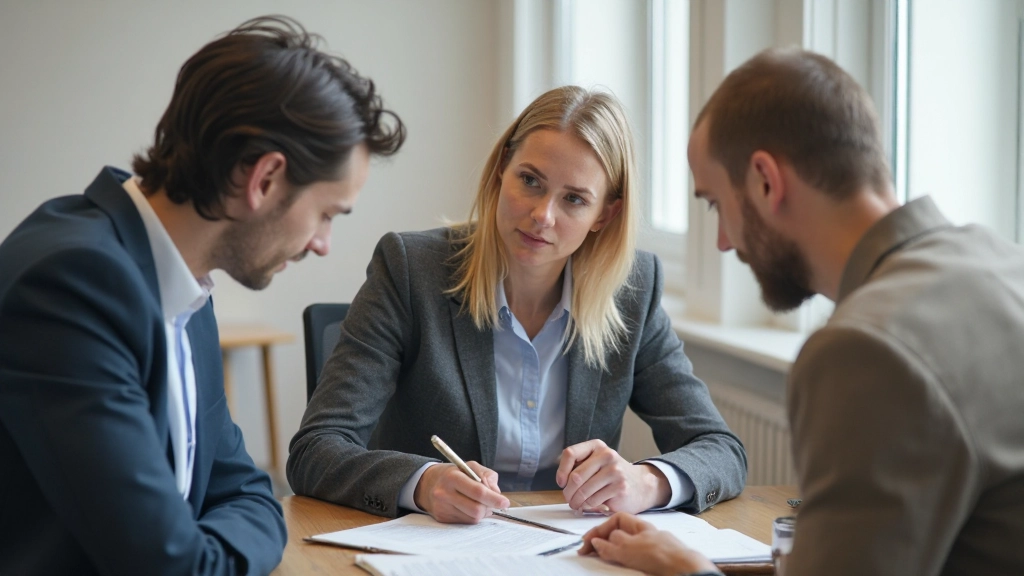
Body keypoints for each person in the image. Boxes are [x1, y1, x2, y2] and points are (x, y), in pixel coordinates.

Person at [581, 47, 1024, 576]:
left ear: (766, 181)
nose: (723, 242)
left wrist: (686, 571)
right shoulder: (1002, 262)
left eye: (716, 204)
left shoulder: (867, 349)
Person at [0, 16, 404, 575]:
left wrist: (232, 528)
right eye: (326, 214)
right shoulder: (73, 284)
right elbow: (175, 565)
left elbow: (244, 489)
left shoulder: (184, 283)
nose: (322, 244)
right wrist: (230, 534)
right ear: (264, 180)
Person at [287, 85, 747, 525]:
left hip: (573, 555)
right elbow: (316, 450)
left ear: (604, 215)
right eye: (530, 181)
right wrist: (423, 484)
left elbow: (720, 449)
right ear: (500, 170)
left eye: (574, 199)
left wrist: (646, 482)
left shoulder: (633, 292)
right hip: (437, 550)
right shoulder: (410, 270)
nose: (542, 215)